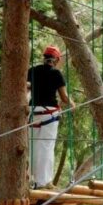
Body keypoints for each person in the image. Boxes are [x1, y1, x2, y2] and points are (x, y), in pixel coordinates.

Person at [27, 45, 75, 189]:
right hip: (49, 113)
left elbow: (27, 87)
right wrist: (72, 104)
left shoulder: (32, 71)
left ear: (44, 57)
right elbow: (64, 97)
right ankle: (44, 181)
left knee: (33, 146)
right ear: (56, 59)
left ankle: (32, 179)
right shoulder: (56, 74)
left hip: (33, 111)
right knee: (46, 147)